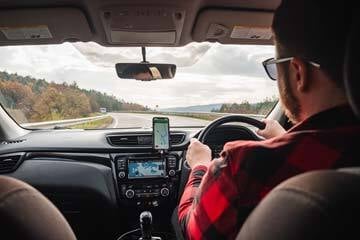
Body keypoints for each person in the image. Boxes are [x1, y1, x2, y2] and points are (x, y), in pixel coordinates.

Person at [178, 1, 360, 239]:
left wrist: (200, 167)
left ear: (298, 72)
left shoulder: (241, 167)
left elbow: (193, 230)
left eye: (276, 69)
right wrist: (284, 139)